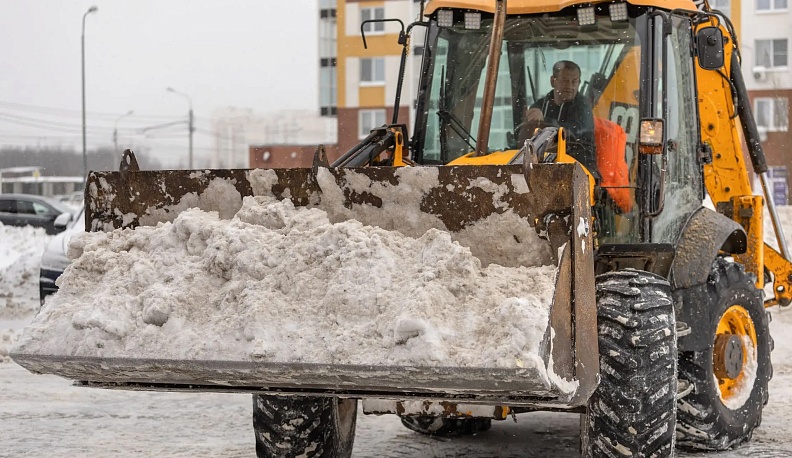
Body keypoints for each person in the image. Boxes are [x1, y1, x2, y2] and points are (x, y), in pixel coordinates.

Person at [520, 60, 597, 178]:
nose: (570, 86)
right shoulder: (541, 105)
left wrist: (544, 121)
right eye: (565, 81)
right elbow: (527, 134)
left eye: (574, 81)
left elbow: (575, 133)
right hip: (542, 165)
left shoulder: (583, 107)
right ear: (553, 81)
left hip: (579, 168)